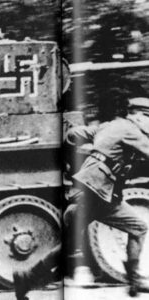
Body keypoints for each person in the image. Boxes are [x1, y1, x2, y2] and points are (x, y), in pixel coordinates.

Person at [62, 97, 149, 297]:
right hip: (99, 190)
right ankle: (29, 274)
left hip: (97, 189)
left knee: (138, 228)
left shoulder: (109, 126)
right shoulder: (133, 131)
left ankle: (134, 281)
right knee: (138, 228)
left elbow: (73, 134)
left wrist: (70, 162)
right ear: (139, 115)